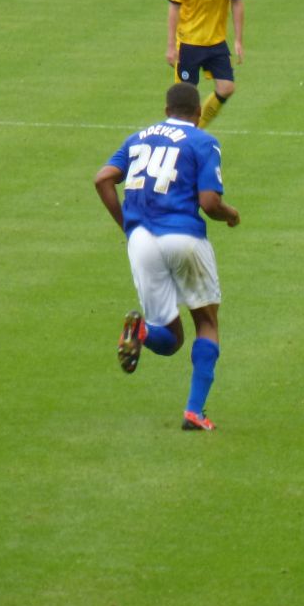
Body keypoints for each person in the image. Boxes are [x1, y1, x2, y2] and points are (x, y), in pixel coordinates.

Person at [93, 82, 241, 433]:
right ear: (197, 113)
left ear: (165, 111)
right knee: (206, 322)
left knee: (170, 338)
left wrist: (128, 226)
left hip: (141, 241)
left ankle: (142, 330)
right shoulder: (203, 141)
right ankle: (194, 411)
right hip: (183, 236)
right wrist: (231, 213)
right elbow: (209, 203)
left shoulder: (138, 138)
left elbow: (103, 179)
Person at [167, 0, 245, 129]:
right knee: (184, 100)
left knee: (227, 87)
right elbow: (173, 8)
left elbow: (237, 1)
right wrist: (170, 46)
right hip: (189, 43)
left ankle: (197, 128)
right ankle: (177, 136)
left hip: (216, 42)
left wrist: (238, 39)